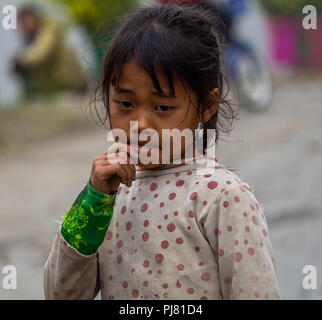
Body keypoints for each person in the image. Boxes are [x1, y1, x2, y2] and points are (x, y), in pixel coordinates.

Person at [43, 3, 280, 300]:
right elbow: (61, 294)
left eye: (163, 107)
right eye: (125, 104)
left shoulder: (222, 197)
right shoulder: (107, 200)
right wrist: (92, 204)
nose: (140, 124)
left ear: (207, 105)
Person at [13, 5, 87, 98]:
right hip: (55, 92)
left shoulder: (49, 30)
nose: (25, 26)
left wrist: (21, 59)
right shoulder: (30, 40)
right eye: (22, 23)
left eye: (27, 21)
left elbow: (42, 52)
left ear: (36, 18)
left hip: (71, 87)